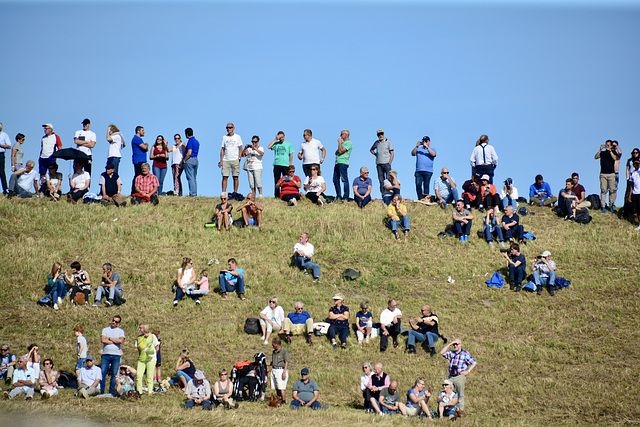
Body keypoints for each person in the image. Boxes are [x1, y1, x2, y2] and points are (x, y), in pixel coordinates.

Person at [440, 338, 476, 417]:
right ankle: (448, 409)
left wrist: (468, 371)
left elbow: (474, 362)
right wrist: (450, 343)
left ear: (461, 344)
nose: (455, 346)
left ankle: (460, 411)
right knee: (448, 391)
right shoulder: (451, 353)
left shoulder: (465, 353)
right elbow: (442, 352)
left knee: (460, 394)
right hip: (451, 376)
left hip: (459, 376)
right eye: (454, 344)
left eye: (457, 344)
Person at [100, 315, 126, 395]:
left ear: (119, 323)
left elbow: (121, 341)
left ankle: (111, 391)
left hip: (116, 355)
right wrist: (115, 341)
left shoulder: (121, 331)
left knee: (114, 374)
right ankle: (101, 390)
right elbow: (103, 340)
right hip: (106, 354)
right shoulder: (105, 329)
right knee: (103, 372)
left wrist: (110, 338)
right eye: (113, 320)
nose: (113, 322)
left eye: (116, 321)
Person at [595, 140, 621, 213]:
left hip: (611, 174)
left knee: (612, 190)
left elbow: (615, 158)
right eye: (606, 145)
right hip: (603, 174)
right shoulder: (602, 153)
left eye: (609, 145)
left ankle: (611, 205)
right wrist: (600, 149)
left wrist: (610, 151)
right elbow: (596, 157)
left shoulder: (613, 153)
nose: (607, 146)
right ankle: (603, 206)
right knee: (603, 190)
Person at [136, 323, 159, 396]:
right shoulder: (139, 338)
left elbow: (157, 346)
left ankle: (150, 391)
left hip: (151, 359)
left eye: (141, 328)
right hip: (141, 359)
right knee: (139, 375)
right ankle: (139, 392)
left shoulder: (152, 336)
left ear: (145, 328)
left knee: (150, 375)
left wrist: (152, 354)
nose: (139, 329)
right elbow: (138, 347)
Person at [268, 131, 294, 198]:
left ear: (284, 136)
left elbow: (291, 154)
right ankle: (277, 195)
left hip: (285, 165)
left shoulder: (288, 144)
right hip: (277, 164)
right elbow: (269, 147)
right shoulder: (276, 144)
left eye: (282, 137)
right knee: (277, 180)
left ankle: (286, 193)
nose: (281, 138)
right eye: (280, 137)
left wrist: (290, 164)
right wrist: (276, 139)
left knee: (286, 180)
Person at [219, 123, 243, 194]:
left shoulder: (237, 137)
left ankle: (235, 192)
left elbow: (240, 148)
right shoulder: (224, 137)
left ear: (233, 128)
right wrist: (221, 160)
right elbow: (222, 149)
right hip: (226, 159)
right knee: (225, 176)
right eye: (227, 128)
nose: (228, 129)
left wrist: (239, 157)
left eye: (230, 127)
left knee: (235, 176)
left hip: (235, 159)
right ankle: (224, 192)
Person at [370, 129, 394, 197]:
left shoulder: (388, 142)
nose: (380, 135)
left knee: (389, 179)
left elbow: (392, 153)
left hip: (386, 163)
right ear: (377, 135)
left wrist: (389, 162)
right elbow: (371, 149)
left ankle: (390, 195)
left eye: (382, 134)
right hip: (379, 164)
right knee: (381, 180)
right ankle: (383, 195)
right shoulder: (376, 142)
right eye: (379, 134)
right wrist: (376, 155)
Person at [268, 337, 289, 403]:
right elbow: (273, 362)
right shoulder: (274, 352)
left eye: (273, 344)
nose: (272, 346)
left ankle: (283, 400)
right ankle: (278, 398)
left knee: (281, 387)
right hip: (274, 369)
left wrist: (284, 372)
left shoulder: (284, 351)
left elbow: (286, 362)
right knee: (276, 386)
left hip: (281, 370)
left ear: (277, 344)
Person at [333, 129, 352, 200]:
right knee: (335, 179)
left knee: (344, 179)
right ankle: (338, 195)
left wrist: (339, 143)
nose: (340, 136)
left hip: (343, 163)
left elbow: (340, 151)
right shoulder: (343, 144)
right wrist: (340, 147)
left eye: (341, 134)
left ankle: (346, 196)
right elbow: (336, 152)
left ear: (345, 135)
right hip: (337, 162)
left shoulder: (349, 143)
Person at [182, 127, 200, 197]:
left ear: (186, 134)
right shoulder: (196, 141)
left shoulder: (190, 141)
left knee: (190, 177)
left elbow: (189, 152)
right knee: (194, 178)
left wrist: (184, 160)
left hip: (190, 160)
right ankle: (194, 192)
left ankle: (192, 194)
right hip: (195, 159)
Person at [130, 126, 148, 194]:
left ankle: (140, 190)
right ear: (138, 131)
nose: (144, 132)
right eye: (142, 130)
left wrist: (146, 146)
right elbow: (144, 147)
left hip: (142, 160)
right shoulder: (136, 139)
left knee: (141, 176)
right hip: (138, 160)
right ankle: (134, 191)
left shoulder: (139, 139)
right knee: (138, 176)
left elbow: (146, 148)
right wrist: (146, 145)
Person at [623, 149, 640, 218]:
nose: (635, 154)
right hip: (631, 179)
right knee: (628, 195)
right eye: (634, 153)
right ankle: (627, 212)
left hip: (638, 181)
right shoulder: (629, 161)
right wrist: (627, 178)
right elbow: (627, 169)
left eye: (636, 153)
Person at [628, 159, 640, 230]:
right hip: (635, 193)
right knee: (637, 210)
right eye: (634, 163)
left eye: (637, 163)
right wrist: (629, 195)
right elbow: (632, 185)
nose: (636, 165)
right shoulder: (633, 173)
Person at [0, 123, 10, 193]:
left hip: (1, 154)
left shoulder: (4, 135)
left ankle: (5, 189)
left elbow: (9, 146)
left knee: (1, 172)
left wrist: (1, 145)